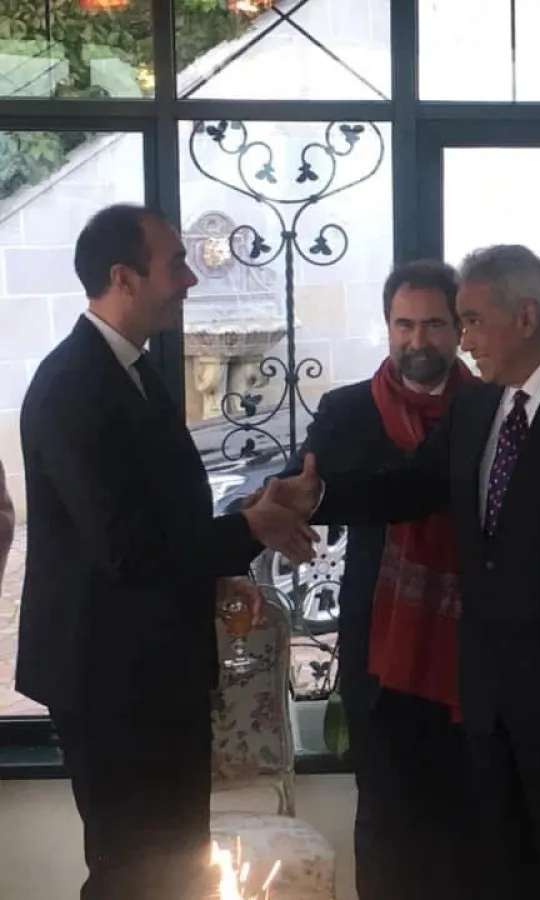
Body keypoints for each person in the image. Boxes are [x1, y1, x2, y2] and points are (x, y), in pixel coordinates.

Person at [270, 244, 540, 900]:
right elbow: (411, 488)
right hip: (487, 699)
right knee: (500, 870)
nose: (464, 339)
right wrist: (317, 498)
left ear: (526, 317)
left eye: (471, 321)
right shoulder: (478, 407)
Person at [15, 203, 317, 900]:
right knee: (137, 874)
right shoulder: (72, 386)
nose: (190, 280)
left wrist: (238, 531)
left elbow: (160, 517)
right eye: (175, 264)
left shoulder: (131, 369)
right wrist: (249, 531)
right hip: (110, 679)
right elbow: (125, 549)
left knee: (177, 867)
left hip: (152, 670)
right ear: (123, 277)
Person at [282, 260, 481, 900]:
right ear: (387, 326)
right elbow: (299, 489)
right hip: (382, 654)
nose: (417, 340)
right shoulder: (348, 412)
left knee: (472, 831)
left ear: (459, 328)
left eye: (433, 325)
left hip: (474, 655)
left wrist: (347, 495)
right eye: (404, 324)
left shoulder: (488, 407)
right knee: (389, 828)